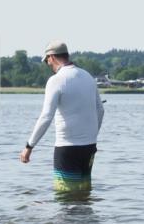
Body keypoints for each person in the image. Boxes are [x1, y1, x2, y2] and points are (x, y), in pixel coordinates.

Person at [20, 40, 104, 195]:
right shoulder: (88, 77)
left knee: (65, 196)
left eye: (47, 61)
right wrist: (92, 135)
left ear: (51, 57)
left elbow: (46, 117)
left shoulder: (56, 80)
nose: (48, 65)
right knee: (83, 194)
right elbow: (100, 110)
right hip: (89, 147)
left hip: (67, 148)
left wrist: (29, 146)